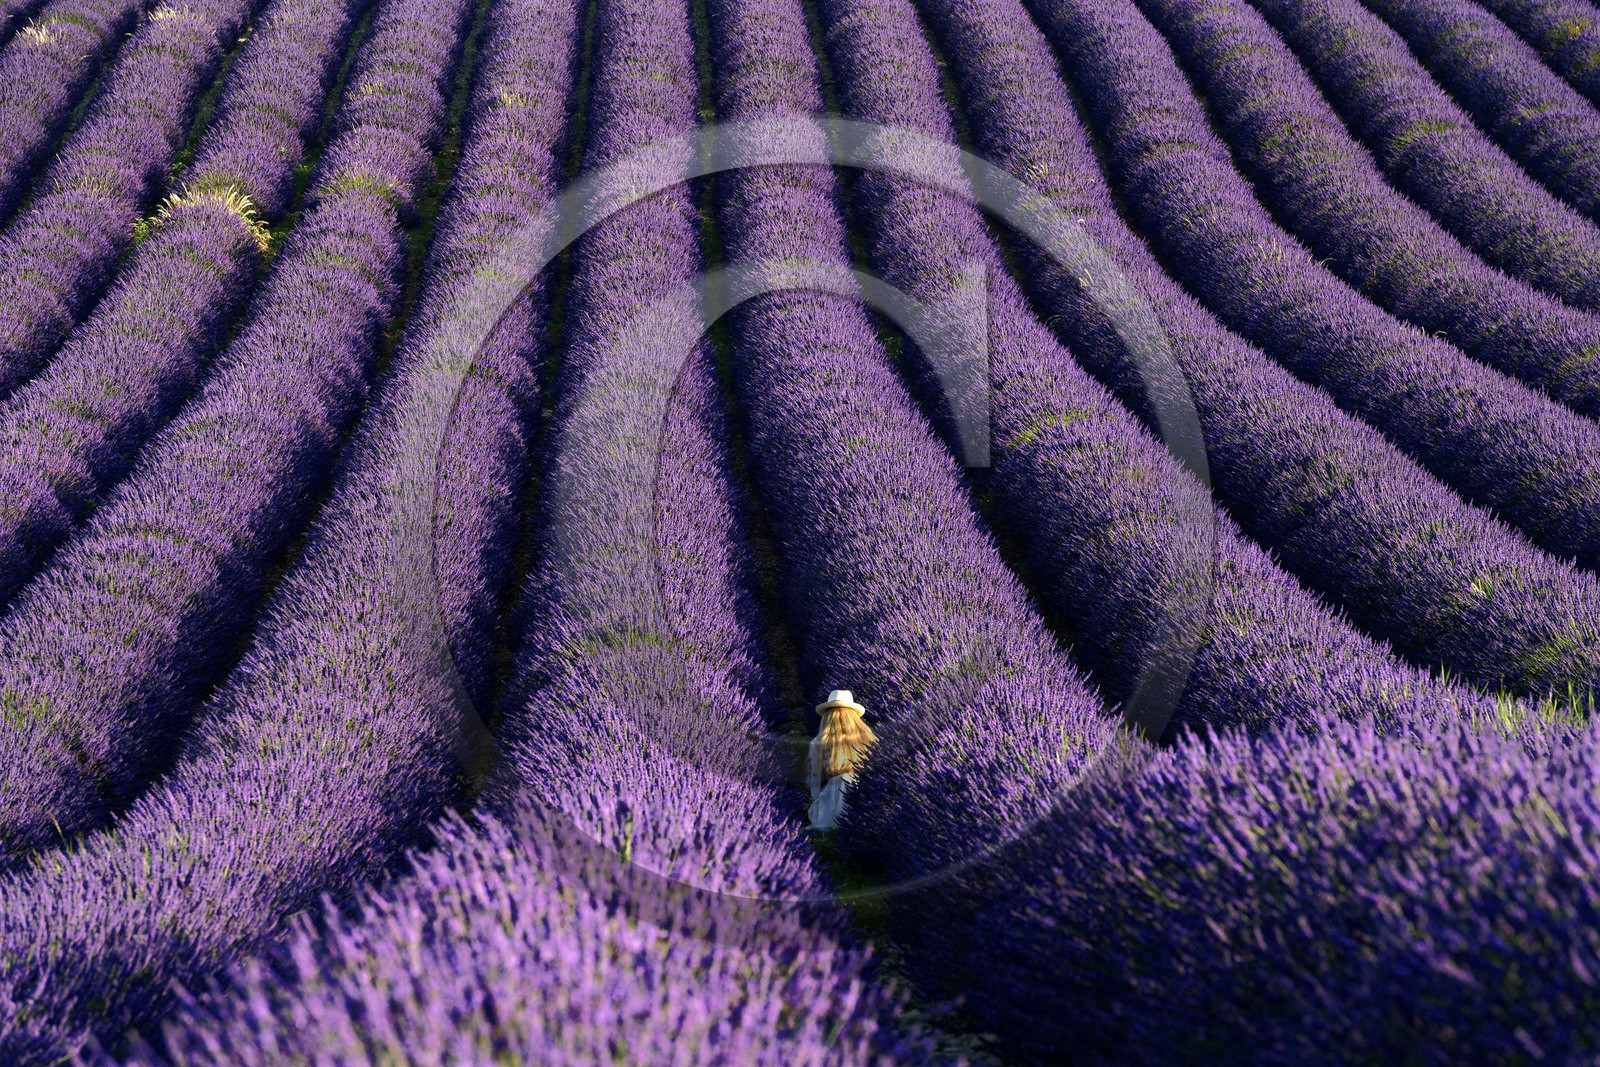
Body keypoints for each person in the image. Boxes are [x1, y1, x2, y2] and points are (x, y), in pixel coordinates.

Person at [806, 689, 876, 831]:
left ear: (827, 716)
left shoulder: (818, 744)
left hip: (831, 801)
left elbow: (814, 785)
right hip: (864, 803)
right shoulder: (870, 741)